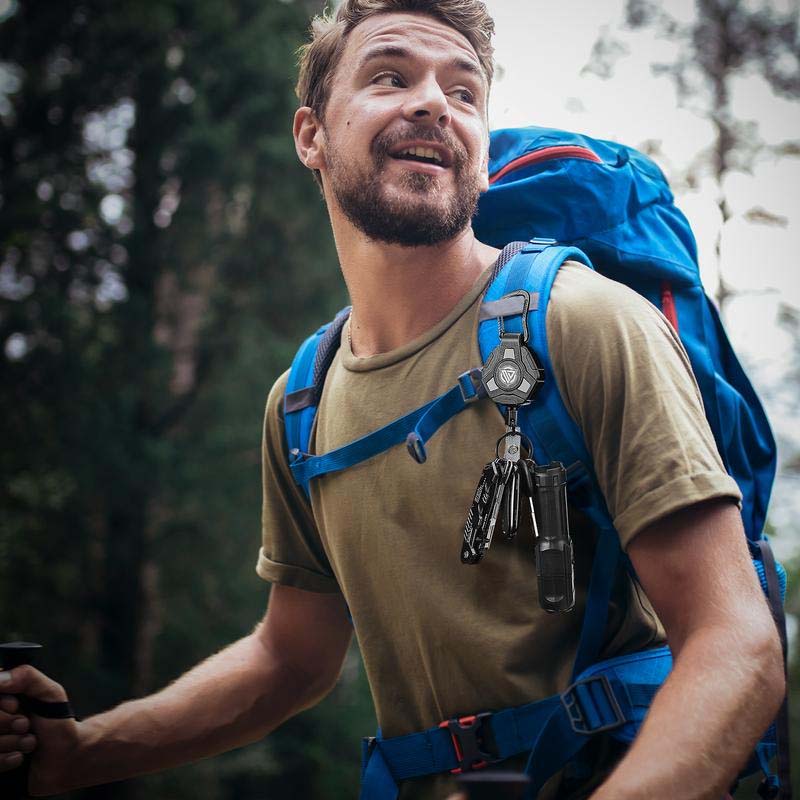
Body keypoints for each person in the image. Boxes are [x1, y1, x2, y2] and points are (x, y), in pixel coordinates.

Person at [0, 2, 785, 798]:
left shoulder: (583, 323)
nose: (434, 102)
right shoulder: (303, 403)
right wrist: (82, 750)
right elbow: (287, 659)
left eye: (465, 91)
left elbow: (736, 643)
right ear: (310, 135)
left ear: (479, 151)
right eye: (389, 76)